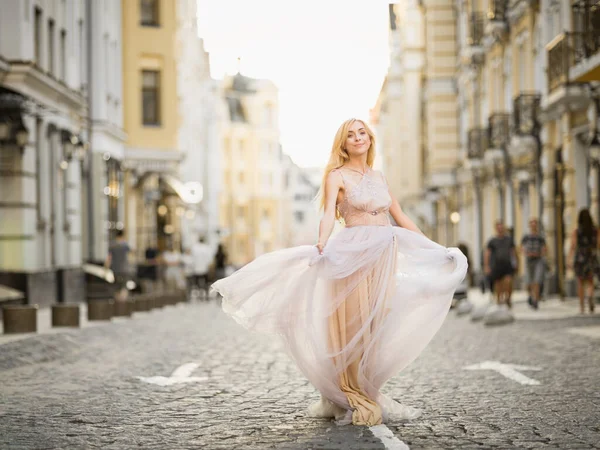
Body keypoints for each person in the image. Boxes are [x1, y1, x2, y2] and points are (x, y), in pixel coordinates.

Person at [211, 118, 468, 426]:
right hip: (351, 254)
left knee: (376, 322)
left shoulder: (379, 176)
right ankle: (350, 390)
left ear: (370, 139)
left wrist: (434, 248)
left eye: (362, 133)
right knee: (352, 324)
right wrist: (321, 241)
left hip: (383, 254)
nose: (358, 138)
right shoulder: (337, 175)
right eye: (351, 135)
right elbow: (327, 214)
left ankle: (366, 385)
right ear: (343, 144)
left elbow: (400, 216)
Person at [567, 208, 599, 314]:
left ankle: (582, 306)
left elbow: (573, 245)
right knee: (590, 280)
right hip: (591, 256)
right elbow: (598, 245)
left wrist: (569, 259)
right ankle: (590, 296)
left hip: (580, 257)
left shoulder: (577, 231)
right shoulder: (595, 231)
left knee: (580, 282)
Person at [484, 221, 517, 308]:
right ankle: (499, 300)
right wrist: (487, 266)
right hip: (496, 265)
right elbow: (487, 254)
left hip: (507, 265)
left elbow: (513, 252)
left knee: (508, 282)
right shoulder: (492, 241)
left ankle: (508, 298)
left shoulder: (509, 240)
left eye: (502, 227)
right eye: (498, 227)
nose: (500, 229)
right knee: (498, 284)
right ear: (496, 229)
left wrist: (516, 263)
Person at [520, 218, 547, 309]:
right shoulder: (526, 237)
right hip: (529, 260)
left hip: (538, 260)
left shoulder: (540, 237)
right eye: (532, 223)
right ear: (529, 225)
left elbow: (544, 248)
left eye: (535, 223)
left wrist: (540, 254)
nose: (533, 225)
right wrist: (527, 253)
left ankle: (535, 299)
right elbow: (521, 248)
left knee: (537, 280)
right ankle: (531, 296)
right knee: (529, 281)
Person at [104, 230, 133, 302]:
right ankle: (123, 302)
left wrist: (106, 267)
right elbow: (131, 252)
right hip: (125, 269)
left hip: (115, 268)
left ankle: (117, 301)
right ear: (122, 236)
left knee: (116, 286)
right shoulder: (125, 245)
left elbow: (109, 258)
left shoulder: (112, 245)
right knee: (124, 286)